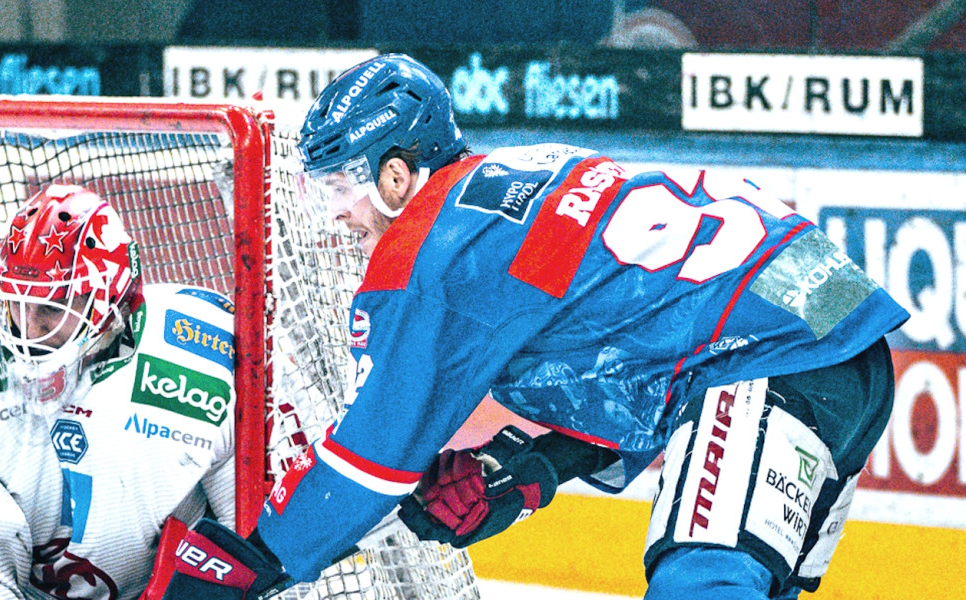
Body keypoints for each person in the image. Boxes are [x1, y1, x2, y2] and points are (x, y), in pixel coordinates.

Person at [162, 53, 905, 600]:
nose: (334, 213)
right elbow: (649, 352)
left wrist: (249, 563)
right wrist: (537, 468)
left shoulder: (424, 250)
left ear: (396, 174)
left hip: (773, 360)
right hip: (848, 356)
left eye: (341, 184)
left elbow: (369, 461)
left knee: (702, 581)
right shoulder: (523, 178)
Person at [0, 184, 276, 600]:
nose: (27, 329)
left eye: (50, 308)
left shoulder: (211, 346)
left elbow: (259, 537)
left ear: (108, 301)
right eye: (14, 302)